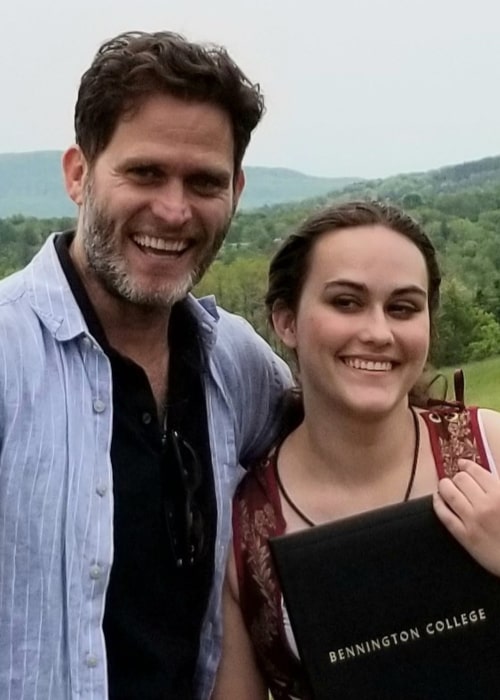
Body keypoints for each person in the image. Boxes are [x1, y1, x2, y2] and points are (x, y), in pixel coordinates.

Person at [0, 31, 292, 700]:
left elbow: (356, 447)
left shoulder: (236, 362)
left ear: (237, 190)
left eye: (204, 182)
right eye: (145, 173)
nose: (173, 209)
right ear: (79, 172)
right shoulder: (9, 355)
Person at [212, 200, 500, 700]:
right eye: (346, 302)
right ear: (286, 321)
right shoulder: (244, 534)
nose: (377, 332)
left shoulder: (492, 451)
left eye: (404, 308)